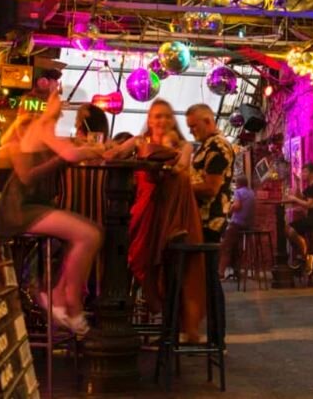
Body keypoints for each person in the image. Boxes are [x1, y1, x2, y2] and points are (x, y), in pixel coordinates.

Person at [0, 90, 105, 337]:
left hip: (35, 206)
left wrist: (90, 148)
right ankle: (71, 305)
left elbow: (70, 150)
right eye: (57, 100)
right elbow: (66, 157)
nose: (62, 107)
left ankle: (56, 294)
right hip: (19, 209)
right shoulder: (38, 128)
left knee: (94, 232)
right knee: (89, 235)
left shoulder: (46, 130)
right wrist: (89, 151)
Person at [105, 99, 206, 341]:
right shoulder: (140, 142)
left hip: (176, 211)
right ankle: (149, 320)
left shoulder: (183, 146)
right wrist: (107, 146)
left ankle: (180, 327)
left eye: (166, 116)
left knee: (182, 265)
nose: (162, 120)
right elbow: (111, 156)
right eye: (157, 116)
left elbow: (181, 167)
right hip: (147, 211)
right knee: (137, 257)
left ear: (173, 121)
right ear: (149, 120)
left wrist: (168, 155)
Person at [186, 104, 234, 242]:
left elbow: (211, 188)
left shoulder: (217, 146)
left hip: (208, 222)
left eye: (193, 126)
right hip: (201, 221)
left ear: (207, 121)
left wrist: (181, 187)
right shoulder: (208, 145)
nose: (190, 131)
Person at [282, 163, 313, 275]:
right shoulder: (310, 186)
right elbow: (300, 197)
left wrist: (294, 199)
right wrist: (297, 183)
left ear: (312, 173)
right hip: (312, 218)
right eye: (302, 171)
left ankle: (304, 256)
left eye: (305, 172)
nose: (303, 174)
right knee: (287, 230)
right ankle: (304, 255)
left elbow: (310, 205)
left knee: (290, 230)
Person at [218, 175, 256, 279]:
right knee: (236, 246)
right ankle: (236, 269)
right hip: (248, 225)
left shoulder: (238, 192)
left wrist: (229, 210)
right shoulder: (251, 192)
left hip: (237, 223)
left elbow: (237, 206)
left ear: (238, 183)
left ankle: (220, 272)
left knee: (226, 246)